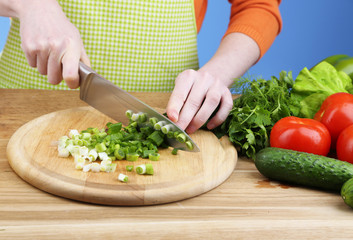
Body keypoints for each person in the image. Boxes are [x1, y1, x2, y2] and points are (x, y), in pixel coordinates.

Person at [0, 0, 282, 134]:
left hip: (167, 112)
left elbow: (258, 6)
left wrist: (218, 72)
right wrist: (32, 6)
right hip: (23, 107)